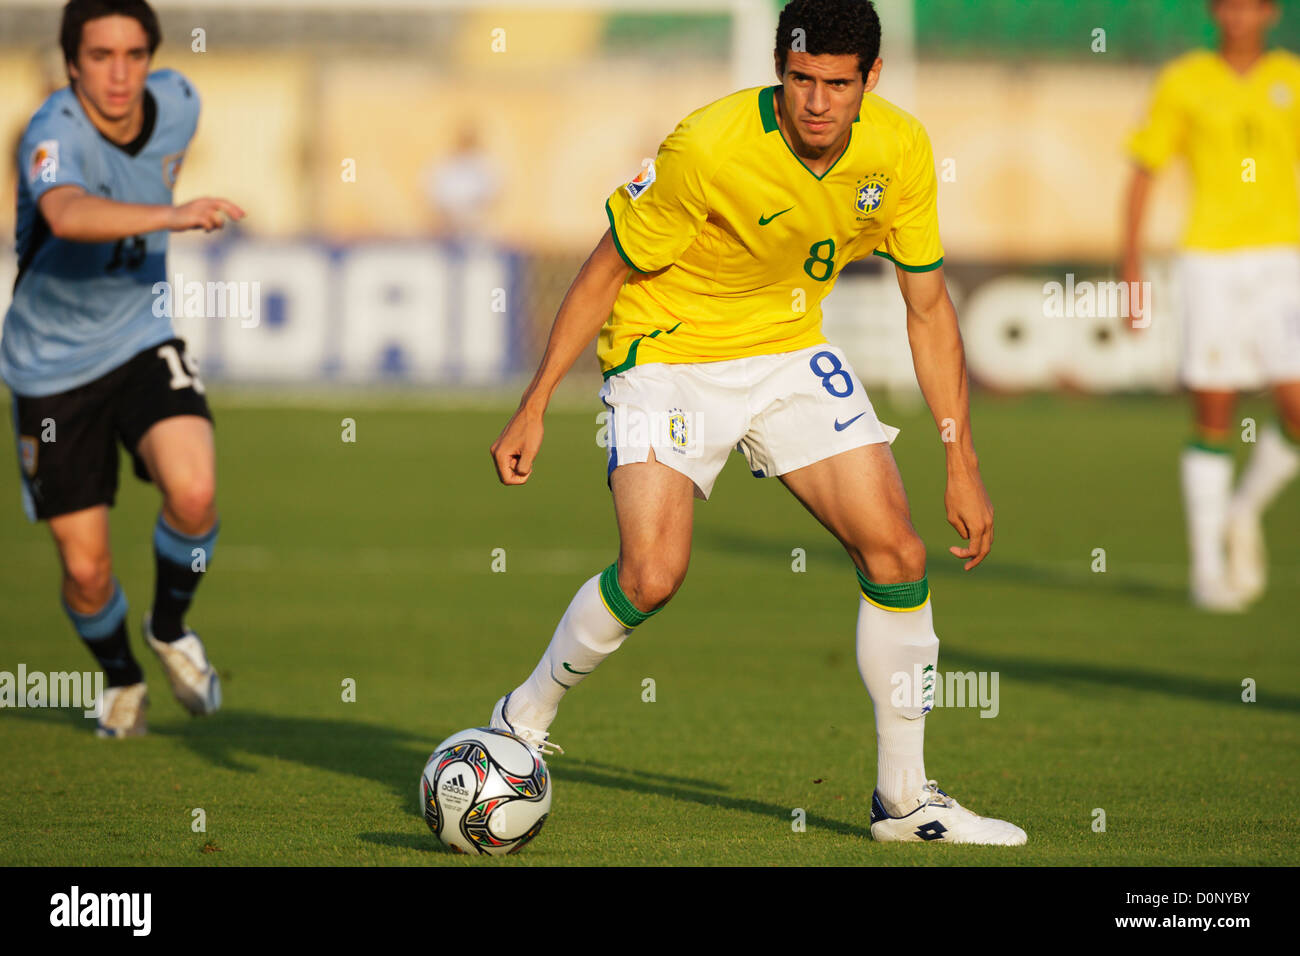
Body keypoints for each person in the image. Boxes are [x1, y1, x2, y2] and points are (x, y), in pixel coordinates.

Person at [485, 0, 1024, 845]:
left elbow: (927, 307)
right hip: (664, 352)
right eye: (801, 80)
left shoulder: (902, 149)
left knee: (899, 552)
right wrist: (534, 404)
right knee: (653, 574)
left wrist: (961, 456)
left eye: (837, 85)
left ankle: (904, 802)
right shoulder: (707, 145)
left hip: (784, 352)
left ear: (870, 81)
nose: (816, 102)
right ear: (781, 71)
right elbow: (602, 271)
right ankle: (524, 714)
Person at [3, 0, 245, 735]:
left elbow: (153, 159)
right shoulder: (50, 134)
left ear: (153, 58)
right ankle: (120, 678)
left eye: (134, 55)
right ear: (72, 62)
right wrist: (172, 215)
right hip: (50, 373)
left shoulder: (179, 103)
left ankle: (169, 628)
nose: (119, 73)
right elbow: (70, 214)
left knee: (195, 490)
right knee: (85, 570)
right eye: (101, 56)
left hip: (141, 337)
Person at [1123, 0, 1300, 611]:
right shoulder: (1185, 80)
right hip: (1211, 260)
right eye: (1228, 4)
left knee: (1298, 406)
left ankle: (1242, 510)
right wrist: (1131, 265)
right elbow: (1145, 167)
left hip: (1284, 259)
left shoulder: (1292, 80)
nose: (1238, 15)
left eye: (1251, 5)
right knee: (1214, 409)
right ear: (1214, 11)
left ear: (1271, 13)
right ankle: (1206, 571)